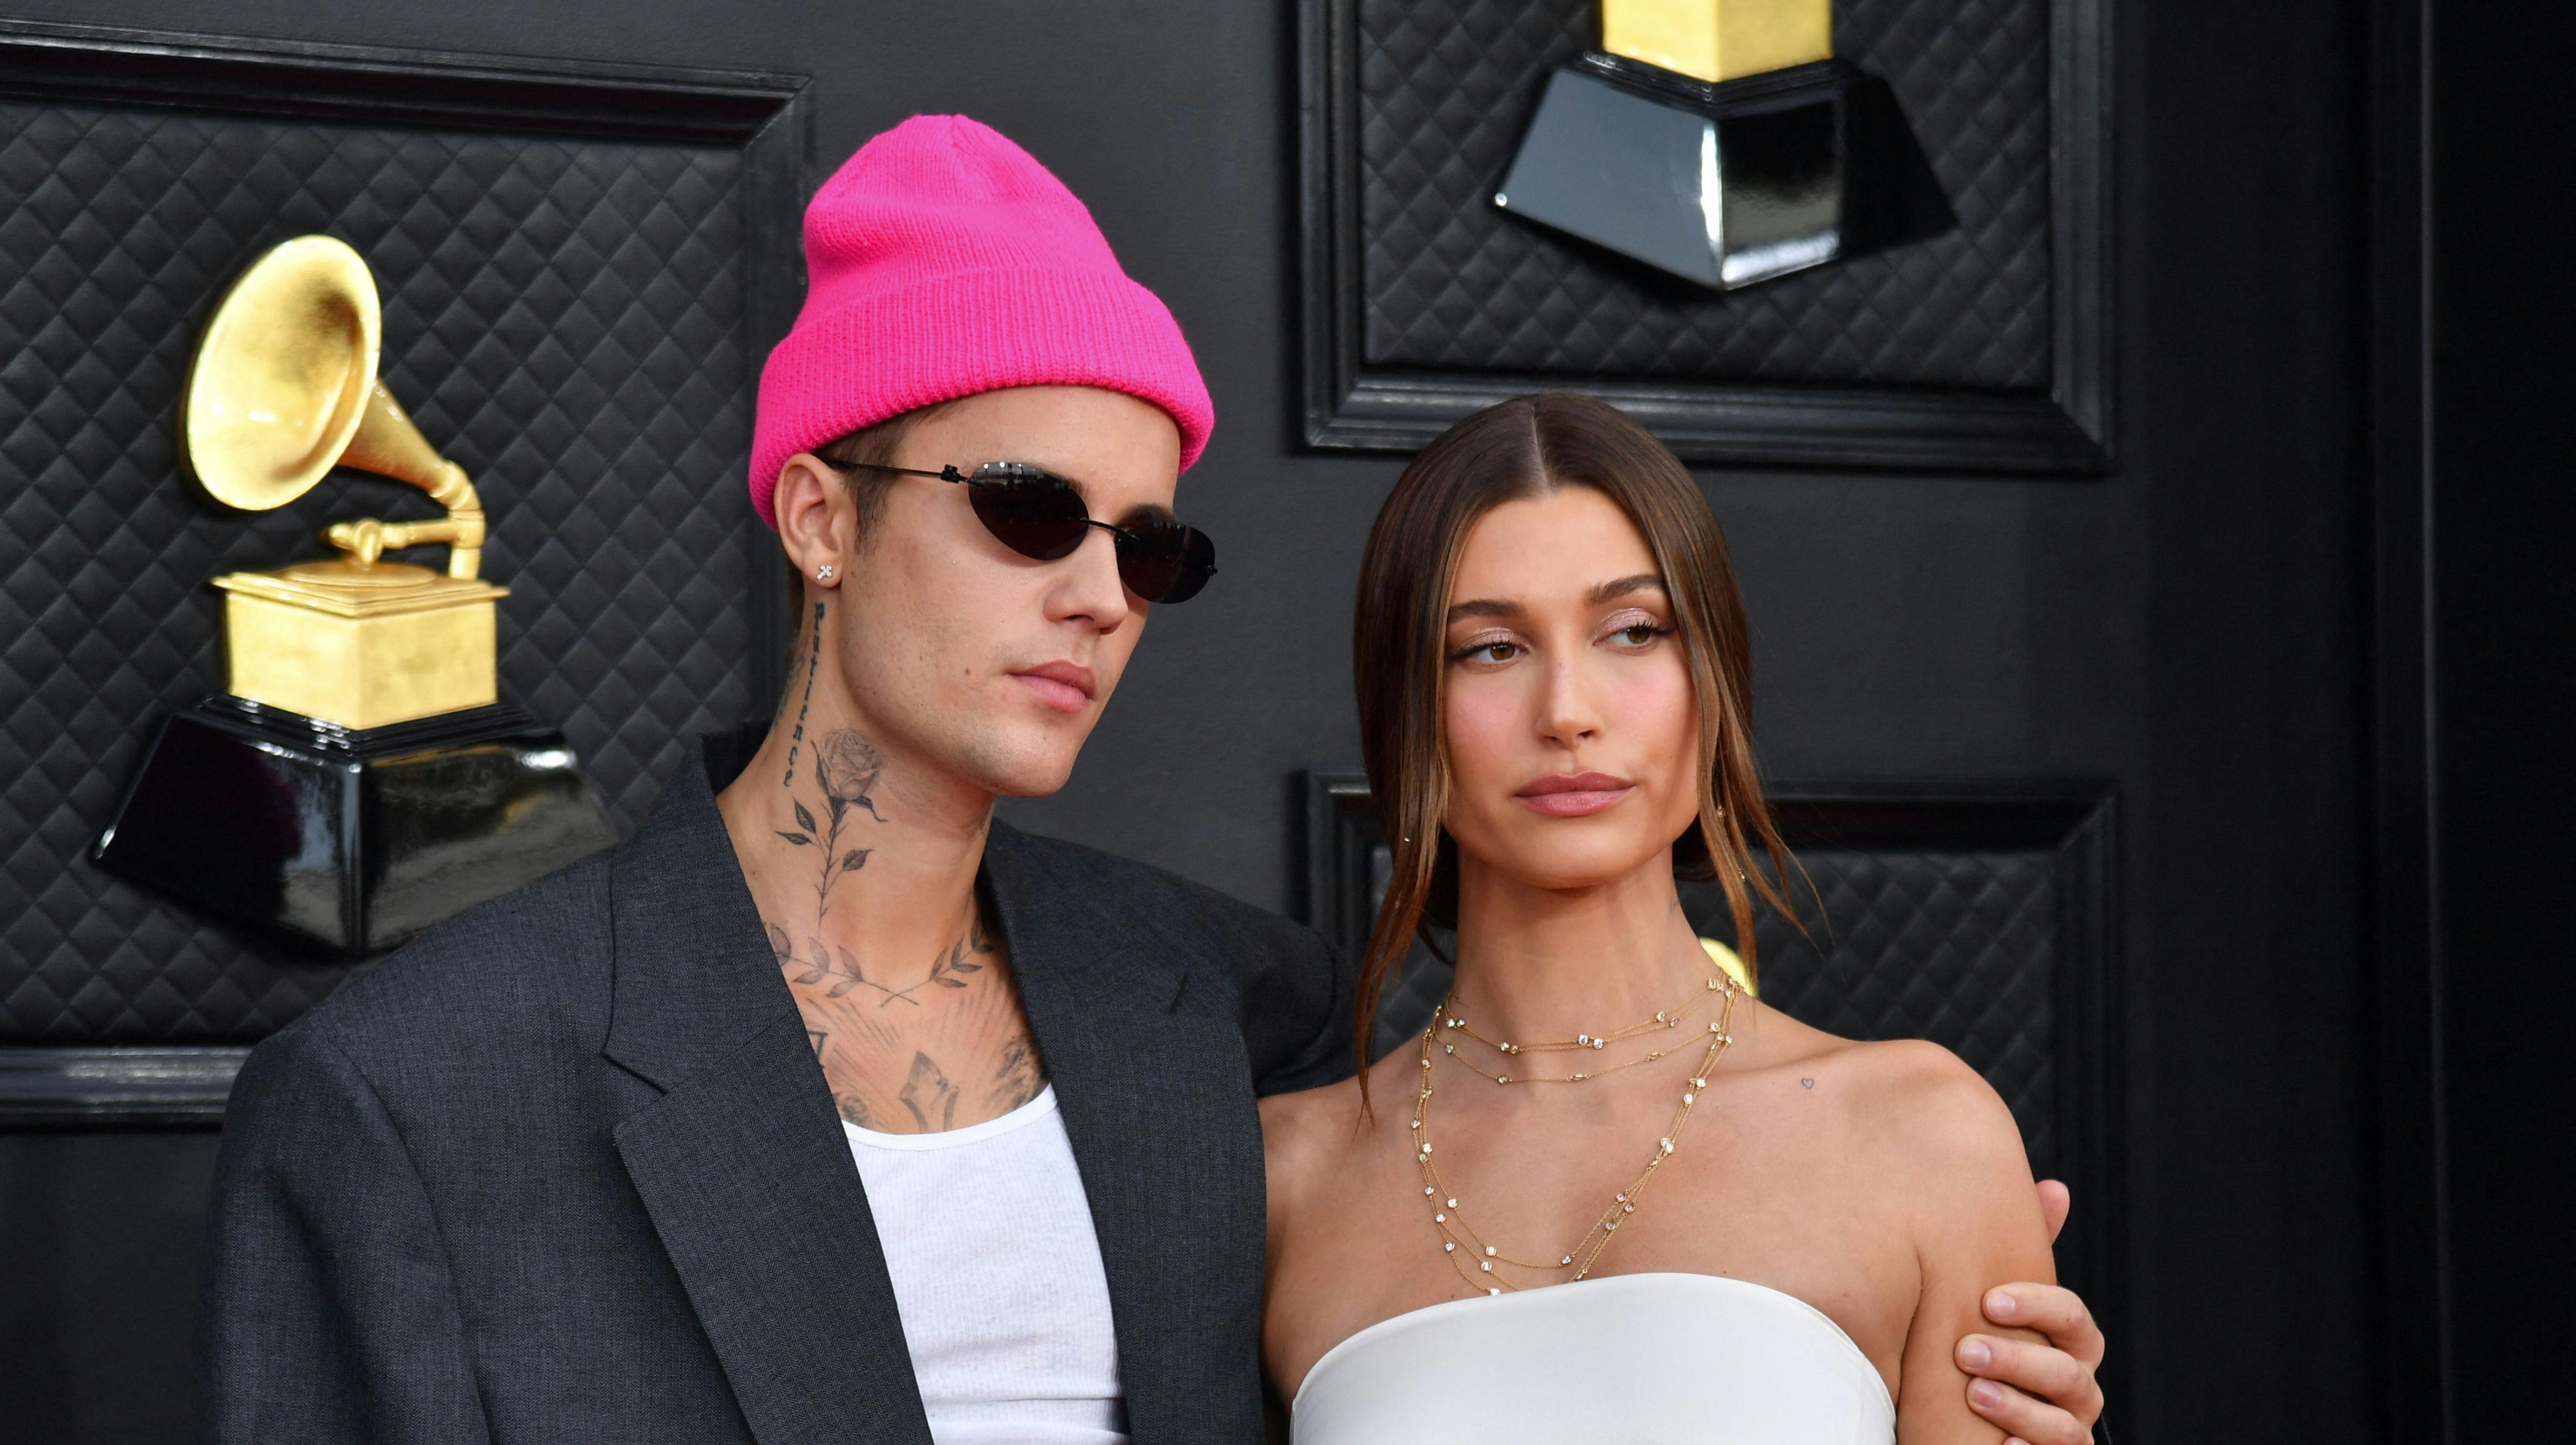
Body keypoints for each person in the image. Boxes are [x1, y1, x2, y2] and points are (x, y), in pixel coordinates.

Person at [198, 120, 2106, 1444]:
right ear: (819, 517)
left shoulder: (1229, 1023)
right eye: (1030, 512)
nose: (1100, 594)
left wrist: (1940, 1339)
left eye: (1150, 546)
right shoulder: (409, 1099)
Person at [1263, 392, 2100, 1445]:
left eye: (1632, 631)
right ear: (1403, 713)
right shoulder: (1283, 1183)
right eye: (1490, 648)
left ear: (1714, 679)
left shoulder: (1919, 1136)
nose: (1567, 712)